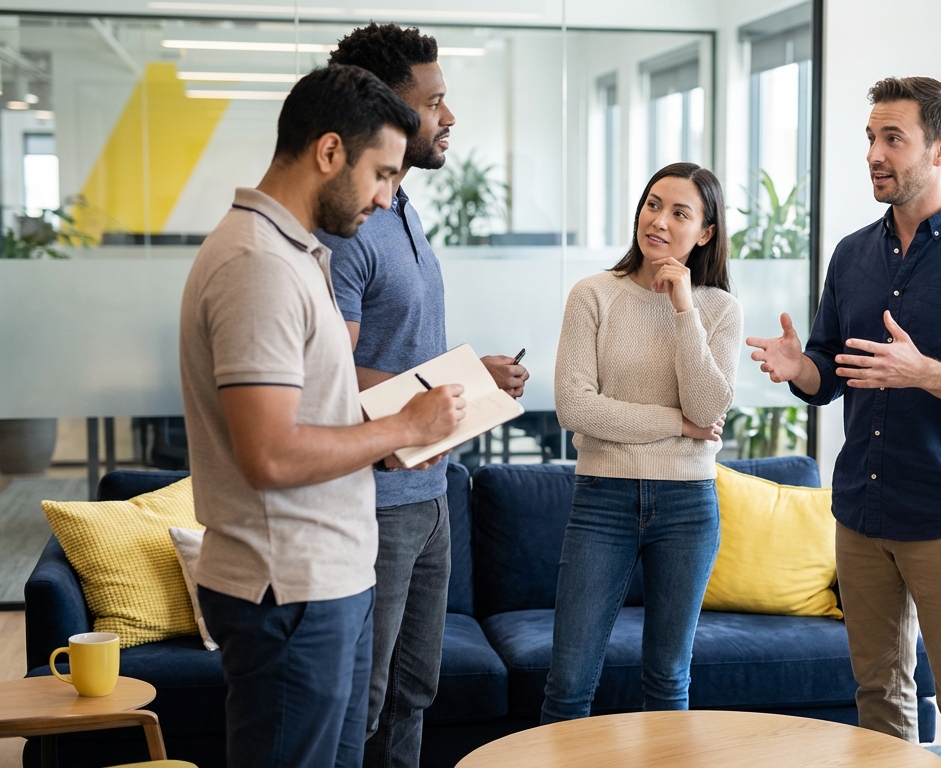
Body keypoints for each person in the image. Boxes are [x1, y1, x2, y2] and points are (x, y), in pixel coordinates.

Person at [178, 65, 468, 768]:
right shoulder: (257, 266)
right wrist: (406, 427)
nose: (385, 197)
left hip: (326, 579)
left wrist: (391, 441)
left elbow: (314, 413)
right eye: (381, 174)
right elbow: (270, 455)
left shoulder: (295, 253)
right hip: (288, 589)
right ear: (330, 151)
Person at [747, 76, 941, 767]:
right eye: (871, 138)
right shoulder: (852, 255)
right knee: (877, 690)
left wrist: (925, 372)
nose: (875, 153)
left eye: (893, 138)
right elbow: (827, 371)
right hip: (861, 513)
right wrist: (801, 369)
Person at [321, 24, 529, 768]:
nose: (449, 117)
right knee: (367, 698)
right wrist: (446, 386)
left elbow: (398, 353)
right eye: (434, 101)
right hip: (375, 504)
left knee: (414, 691)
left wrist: (475, 377)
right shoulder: (348, 230)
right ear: (388, 108)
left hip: (432, 492)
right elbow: (332, 376)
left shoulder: (401, 208)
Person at [543, 162, 741, 722]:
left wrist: (683, 307)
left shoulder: (718, 308)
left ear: (705, 232)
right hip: (602, 498)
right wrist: (677, 425)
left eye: (680, 213)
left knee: (668, 677)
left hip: (688, 505)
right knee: (569, 681)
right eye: (653, 204)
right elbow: (575, 408)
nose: (658, 221)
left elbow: (710, 407)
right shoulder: (593, 295)